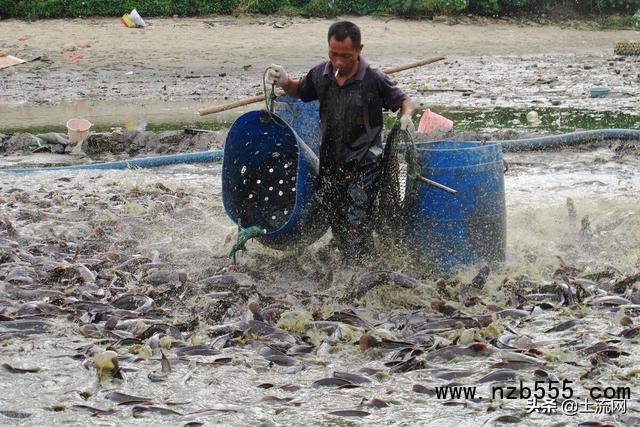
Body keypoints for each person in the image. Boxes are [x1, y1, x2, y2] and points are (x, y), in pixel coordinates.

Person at [266, 20, 415, 262]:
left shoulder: (374, 79)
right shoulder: (320, 74)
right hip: (331, 161)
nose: (338, 62)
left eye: (345, 56)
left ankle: (360, 268)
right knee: (335, 216)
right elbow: (299, 90)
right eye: (333, 54)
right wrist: (284, 80)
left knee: (357, 220)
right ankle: (355, 260)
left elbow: (404, 101)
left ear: (359, 50)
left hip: (365, 163)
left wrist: (406, 115)